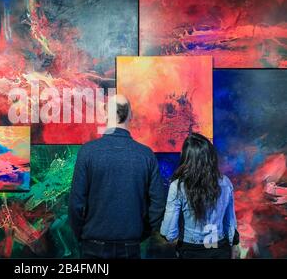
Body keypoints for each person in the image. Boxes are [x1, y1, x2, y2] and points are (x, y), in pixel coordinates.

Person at [69, 94, 165, 259]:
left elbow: (75, 204)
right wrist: (141, 233)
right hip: (131, 244)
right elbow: (158, 204)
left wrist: (82, 235)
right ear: (130, 116)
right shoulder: (146, 155)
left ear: (106, 114)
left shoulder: (88, 152)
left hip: (93, 244)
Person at [160, 133, 240, 259]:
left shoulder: (178, 186)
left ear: (187, 157)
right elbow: (230, 223)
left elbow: (169, 233)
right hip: (219, 248)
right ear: (210, 156)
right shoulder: (225, 182)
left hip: (190, 250)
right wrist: (234, 245)